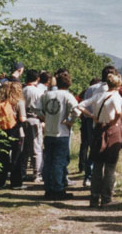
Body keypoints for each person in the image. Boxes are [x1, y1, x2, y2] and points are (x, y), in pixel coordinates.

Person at [74, 73, 122, 208]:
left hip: (98, 129)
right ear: (118, 84)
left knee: (97, 165)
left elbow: (80, 105)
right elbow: (118, 112)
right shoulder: (116, 97)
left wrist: (92, 116)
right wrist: (113, 122)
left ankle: (94, 197)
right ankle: (106, 197)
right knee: (110, 166)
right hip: (111, 130)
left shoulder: (99, 95)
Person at [79, 66, 119, 186]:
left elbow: (83, 105)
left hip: (94, 123)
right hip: (110, 125)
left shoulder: (91, 89)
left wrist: (92, 116)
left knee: (94, 152)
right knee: (109, 156)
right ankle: (108, 182)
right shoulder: (115, 92)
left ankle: (89, 177)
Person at [40, 71, 78, 200]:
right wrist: (70, 121)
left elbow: (34, 108)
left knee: (48, 161)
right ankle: (58, 189)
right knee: (59, 162)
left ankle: (48, 187)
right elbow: (76, 110)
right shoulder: (68, 96)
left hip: (49, 132)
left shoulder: (47, 95)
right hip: (62, 132)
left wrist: (45, 117)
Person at [0, 81, 28, 190]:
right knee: (17, 157)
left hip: (2, 131)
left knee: (2, 156)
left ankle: (0, 181)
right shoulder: (19, 102)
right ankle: (16, 182)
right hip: (16, 131)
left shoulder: (1, 102)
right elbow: (22, 118)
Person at [22, 69, 46, 183]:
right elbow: (43, 108)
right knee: (36, 147)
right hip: (35, 119)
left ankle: (22, 172)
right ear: (38, 79)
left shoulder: (22, 90)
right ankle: (37, 173)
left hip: (23, 119)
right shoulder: (38, 92)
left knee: (24, 148)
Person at [78, 77, 101, 186]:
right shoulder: (107, 90)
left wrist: (89, 115)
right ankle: (96, 177)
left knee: (88, 147)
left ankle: (87, 174)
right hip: (99, 121)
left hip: (87, 120)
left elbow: (80, 103)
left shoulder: (88, 90)